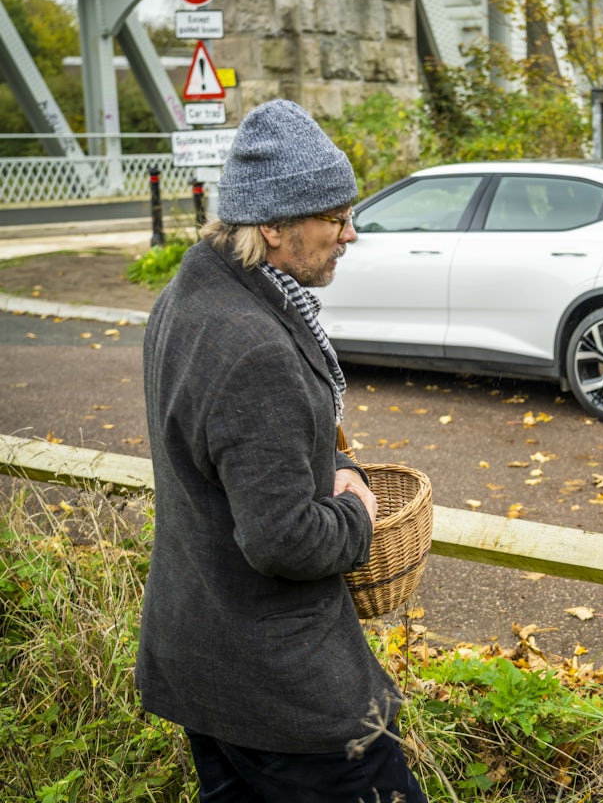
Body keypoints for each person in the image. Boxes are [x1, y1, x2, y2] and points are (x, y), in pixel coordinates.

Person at [139, 99, 428, 801]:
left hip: (203, 659)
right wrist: (358, 515)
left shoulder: (191, 295)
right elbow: (284, 540)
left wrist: (340, 467)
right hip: (283, 692)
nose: (350, 233)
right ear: (272, 224)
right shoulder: (252, 348)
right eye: (333, 218)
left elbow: (245, 453)